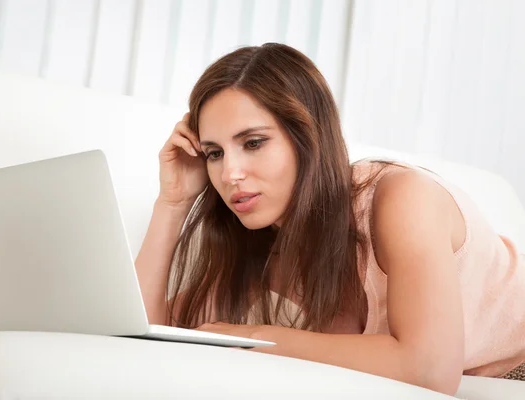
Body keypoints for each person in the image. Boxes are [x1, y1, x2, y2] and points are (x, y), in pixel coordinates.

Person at [134, 43, 525, 395]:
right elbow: (144, 336)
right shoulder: (263, 251)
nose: (229, 173)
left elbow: (429, 371)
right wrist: (172, 203)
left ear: (308, 138)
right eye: (214, 153)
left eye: (253, 143)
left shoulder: (400, 197)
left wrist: (252, 337)